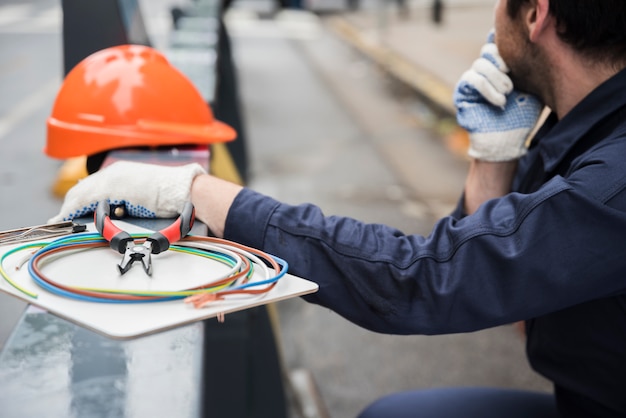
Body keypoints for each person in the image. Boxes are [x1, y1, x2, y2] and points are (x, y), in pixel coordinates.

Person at [50, 0, 626, 416]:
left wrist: (196, 192)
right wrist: (494, 156)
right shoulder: (590, 134)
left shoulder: (611, 182)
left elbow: (426, 279)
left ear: (536, 14)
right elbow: (498, 280)